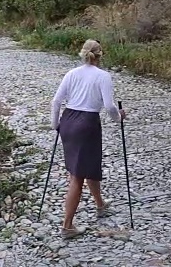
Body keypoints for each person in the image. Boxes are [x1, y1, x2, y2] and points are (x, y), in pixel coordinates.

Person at [50, 39, 126, 239]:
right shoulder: (103, 76)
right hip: (87, 123)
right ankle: (67, 226)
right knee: (77, 175)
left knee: (89, 165)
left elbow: (56, 101)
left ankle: (100, 205)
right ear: (100, 55)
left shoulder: (72, 73)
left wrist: (55, 124)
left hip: (68, 120)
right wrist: (119, 118)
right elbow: (109, 107)